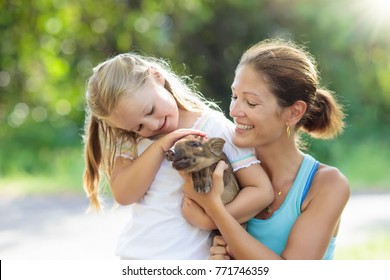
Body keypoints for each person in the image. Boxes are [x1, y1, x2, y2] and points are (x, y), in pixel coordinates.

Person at [82, 52, 274, 259]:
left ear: (156, 77)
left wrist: (212, 219)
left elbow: (262, 192)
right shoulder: (132, 140)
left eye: (150, 110)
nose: (153, 125)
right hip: (135, 257)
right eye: (139, 126)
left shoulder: (211, 127)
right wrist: (161, 146)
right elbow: (124, 194)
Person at [182, 38, 350, 260]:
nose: (233, 111)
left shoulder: (327, 185)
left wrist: (215, 213)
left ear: (293, 112)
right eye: (234, 97)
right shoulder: (223, 169)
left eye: (250, 103)